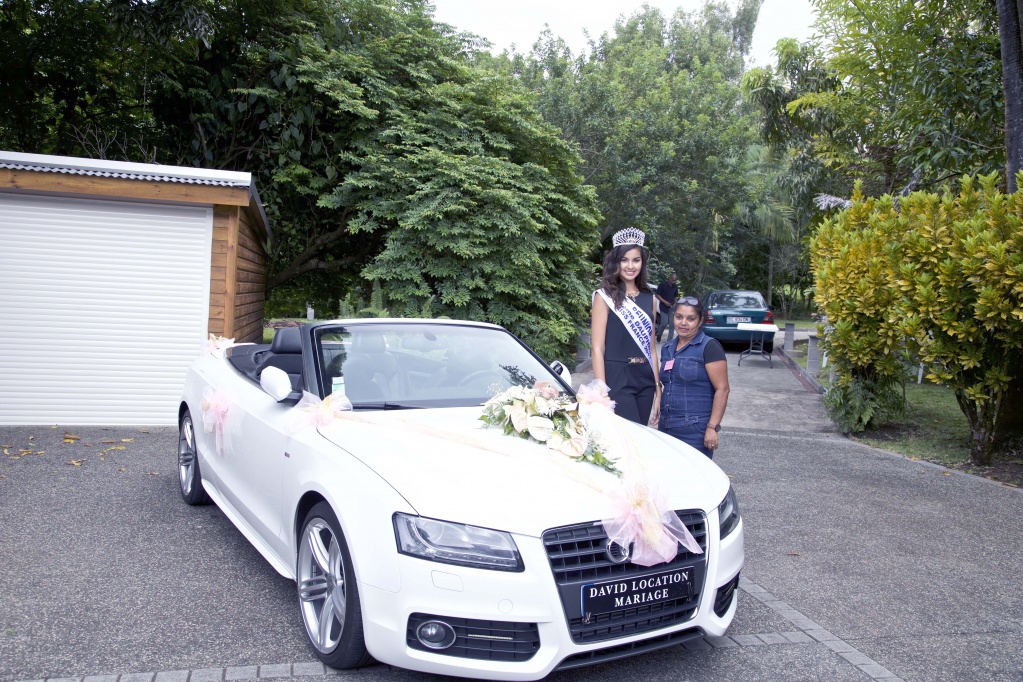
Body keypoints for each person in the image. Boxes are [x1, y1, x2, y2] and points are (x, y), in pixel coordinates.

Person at [590, 227, 660, 425]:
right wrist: (601, 390)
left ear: (642, 263)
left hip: (645, 378)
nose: (630, 266)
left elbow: (651, 349)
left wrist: (658, 387)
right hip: (618, 376)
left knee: (642, 434)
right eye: (624, 260)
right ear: (616, 262)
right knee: (628, 435)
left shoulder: (650, 298)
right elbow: (597, 348)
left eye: (636, 260)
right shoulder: (604, 297)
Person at [658, 297, 730, 458]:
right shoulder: (667, 348)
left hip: (695, 431)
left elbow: (723, 389)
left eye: (691, 319)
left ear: (700, 321)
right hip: (666, 427)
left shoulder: (709, 347)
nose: (683, 323)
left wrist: (712, 427)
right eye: (679, 317)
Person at [654, 273, 679, 342]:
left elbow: (676, 296)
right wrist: (665, 302)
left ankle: (669, 340)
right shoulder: (662, 285)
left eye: (675, 280)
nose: (673, 282)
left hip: (671, 307)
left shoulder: (675, 286)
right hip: (663, 307)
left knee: (672, 324)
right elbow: (657, 295)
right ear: (669, 278)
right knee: (664, 322)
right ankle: (659, 334)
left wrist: (675, 302)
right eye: (672, 280)